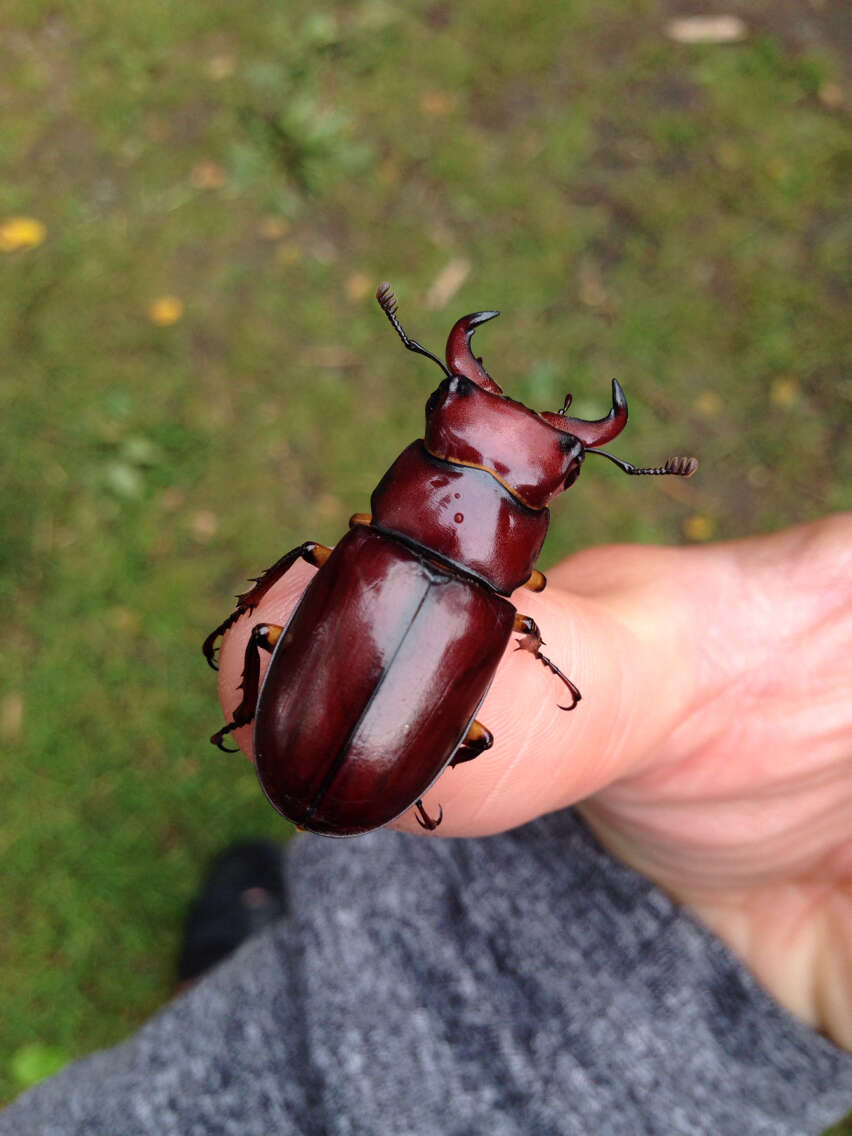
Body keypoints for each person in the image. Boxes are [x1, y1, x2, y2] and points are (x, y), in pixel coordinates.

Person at [2, 515, 850, 1134]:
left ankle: (256, 979)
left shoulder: (381, 555)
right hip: (366, 776)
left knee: (310, 607)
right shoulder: (495, 610)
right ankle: (262, 973)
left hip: (324, 755)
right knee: (468, 715)